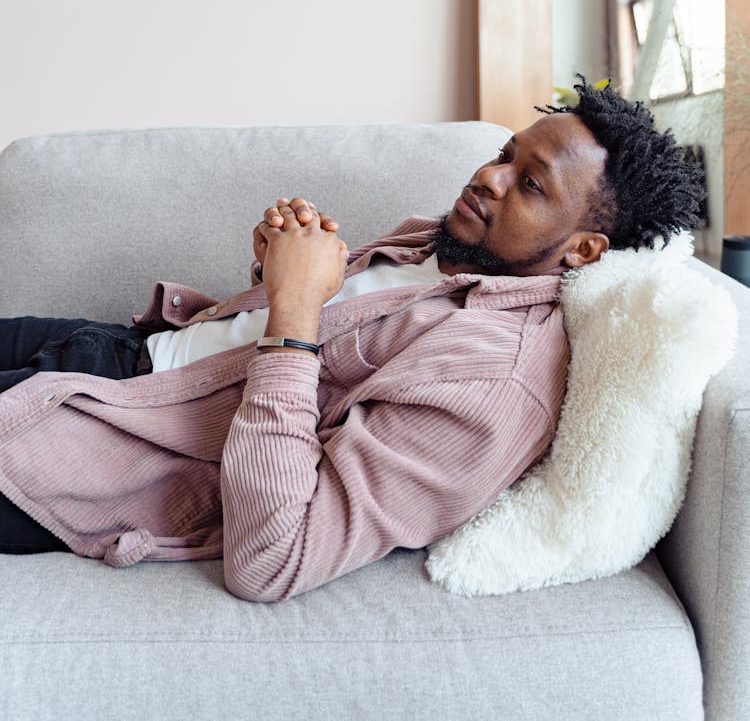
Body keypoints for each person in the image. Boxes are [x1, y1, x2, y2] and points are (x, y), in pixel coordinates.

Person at [0, 79, 704, 600]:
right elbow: (301, 339)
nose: (487, 178)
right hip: (122, 351)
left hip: (110, 442)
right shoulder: (445, 243)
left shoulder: (492, 386)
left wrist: (297, 306)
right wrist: (282, 267)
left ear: (582, 250)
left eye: (528, 185)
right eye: (504, 154)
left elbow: (274, 557)